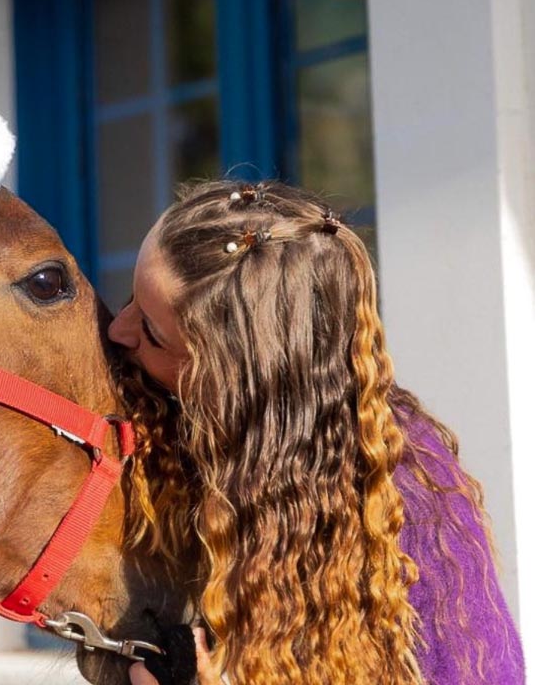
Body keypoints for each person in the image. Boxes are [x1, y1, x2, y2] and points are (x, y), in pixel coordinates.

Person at [108, 180, 525, 685]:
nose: (119, 330)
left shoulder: (402, 505)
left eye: (153, 332)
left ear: (238, 380)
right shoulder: (235, 451)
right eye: (131, 297)